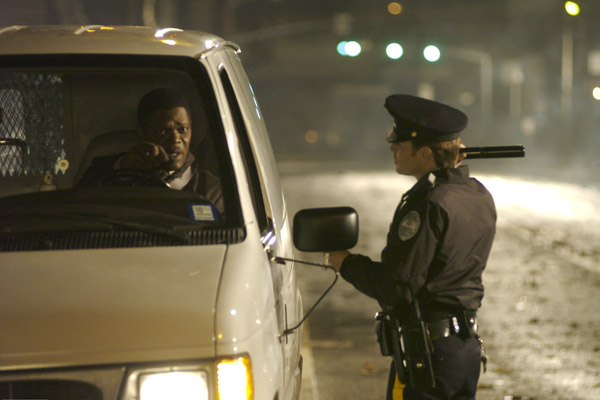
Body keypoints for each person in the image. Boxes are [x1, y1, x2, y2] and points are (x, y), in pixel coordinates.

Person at [328, 94, 497, 400]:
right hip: (464, 350)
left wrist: (345, 264)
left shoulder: (428, 202)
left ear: (423, 155)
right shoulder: (476, 194)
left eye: (401, 144)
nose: (392, 148)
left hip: (429, 357)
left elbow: (398, 284)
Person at [79, 88, 224, 214]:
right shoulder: (106, 170)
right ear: (142, 133)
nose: (175, 139)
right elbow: (78, 207)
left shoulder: (210, 189)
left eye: (183, 130)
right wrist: (123, 168)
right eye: (162, 131)